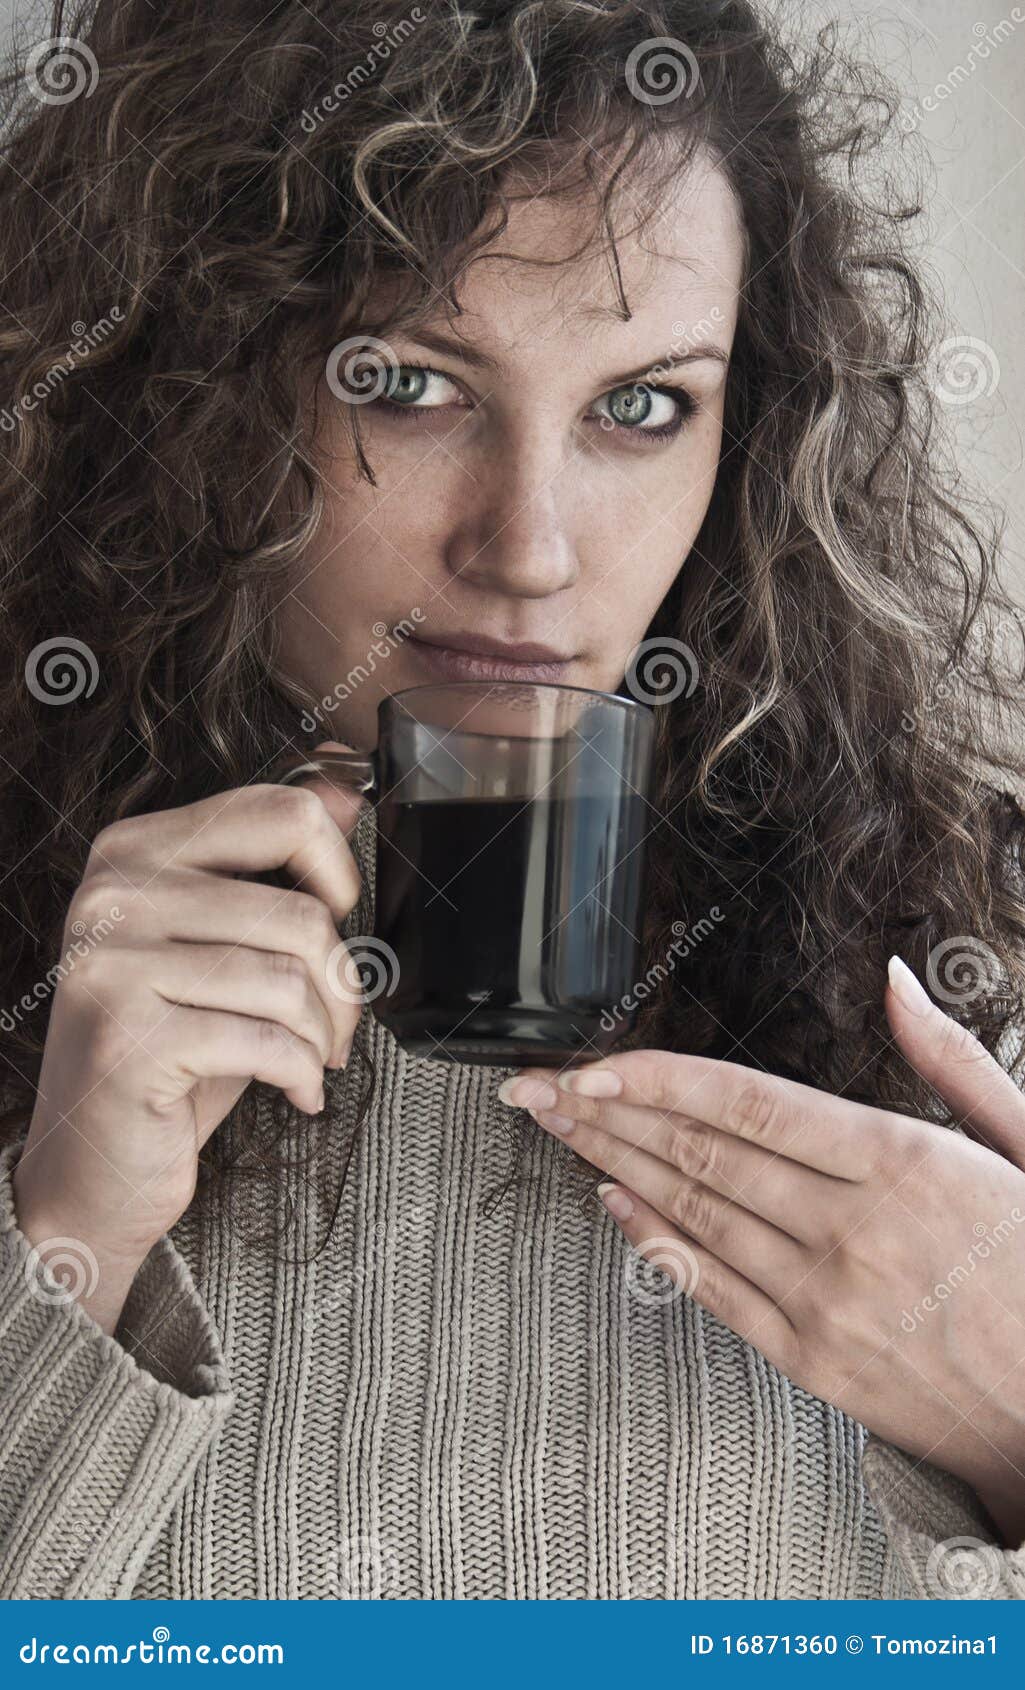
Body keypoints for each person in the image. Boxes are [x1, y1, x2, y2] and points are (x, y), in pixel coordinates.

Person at [0, 0, 1024, 1600]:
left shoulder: (977, 974)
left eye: (640, 405)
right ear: (189, 395)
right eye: (407, 384)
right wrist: (64, 1240)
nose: (529, 547)